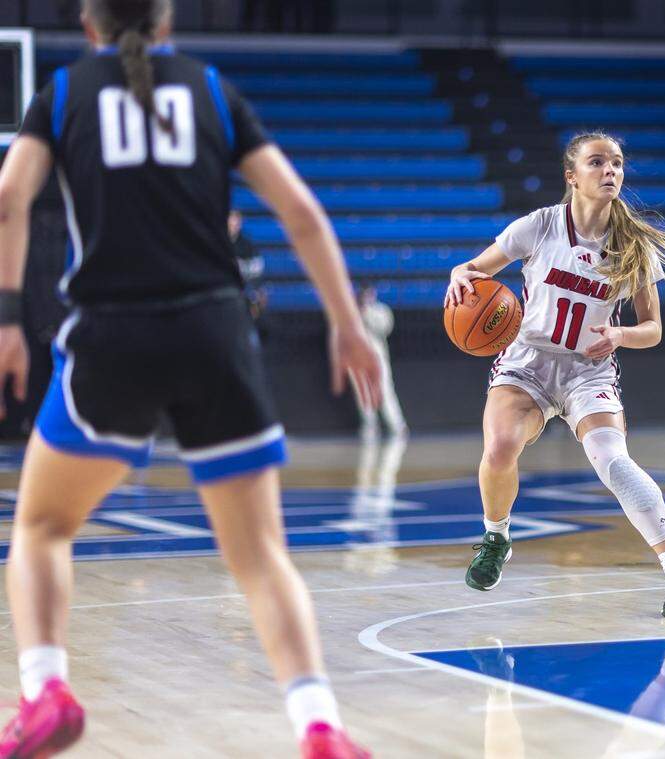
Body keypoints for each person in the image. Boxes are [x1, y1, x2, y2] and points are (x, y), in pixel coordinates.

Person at [0, 1, 379, 756]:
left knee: (42, 529)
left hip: (113, 333)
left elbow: (8, 198)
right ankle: (319, 725)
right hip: (214, 333)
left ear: (88, 24)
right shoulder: (211, 90)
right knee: (261, 556)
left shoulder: (66, 92)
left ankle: (46, 690)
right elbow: (301, 212)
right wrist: (347, 322)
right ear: (166, 23)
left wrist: (8, 319)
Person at [444, 131, 665, 617]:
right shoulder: (539, 227)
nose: (610, 171)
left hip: (589, 371)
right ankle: (496, 537)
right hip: (528, 362)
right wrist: (459, 274)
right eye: (597, 162)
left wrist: (620, 335)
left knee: (614, 463)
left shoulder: (634, 245)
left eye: (617, 163)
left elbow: (652, 329)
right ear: (573, 176)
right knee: (500, 446)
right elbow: (475, 269)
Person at [356, 286, 407, 439]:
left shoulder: (380, 310)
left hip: (378, 358)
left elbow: (385, 328)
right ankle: (370, 426)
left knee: (386, 391)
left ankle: (397, 426)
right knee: (363, 392)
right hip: (359, 359)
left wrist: (368, 313)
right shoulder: (353, 312)